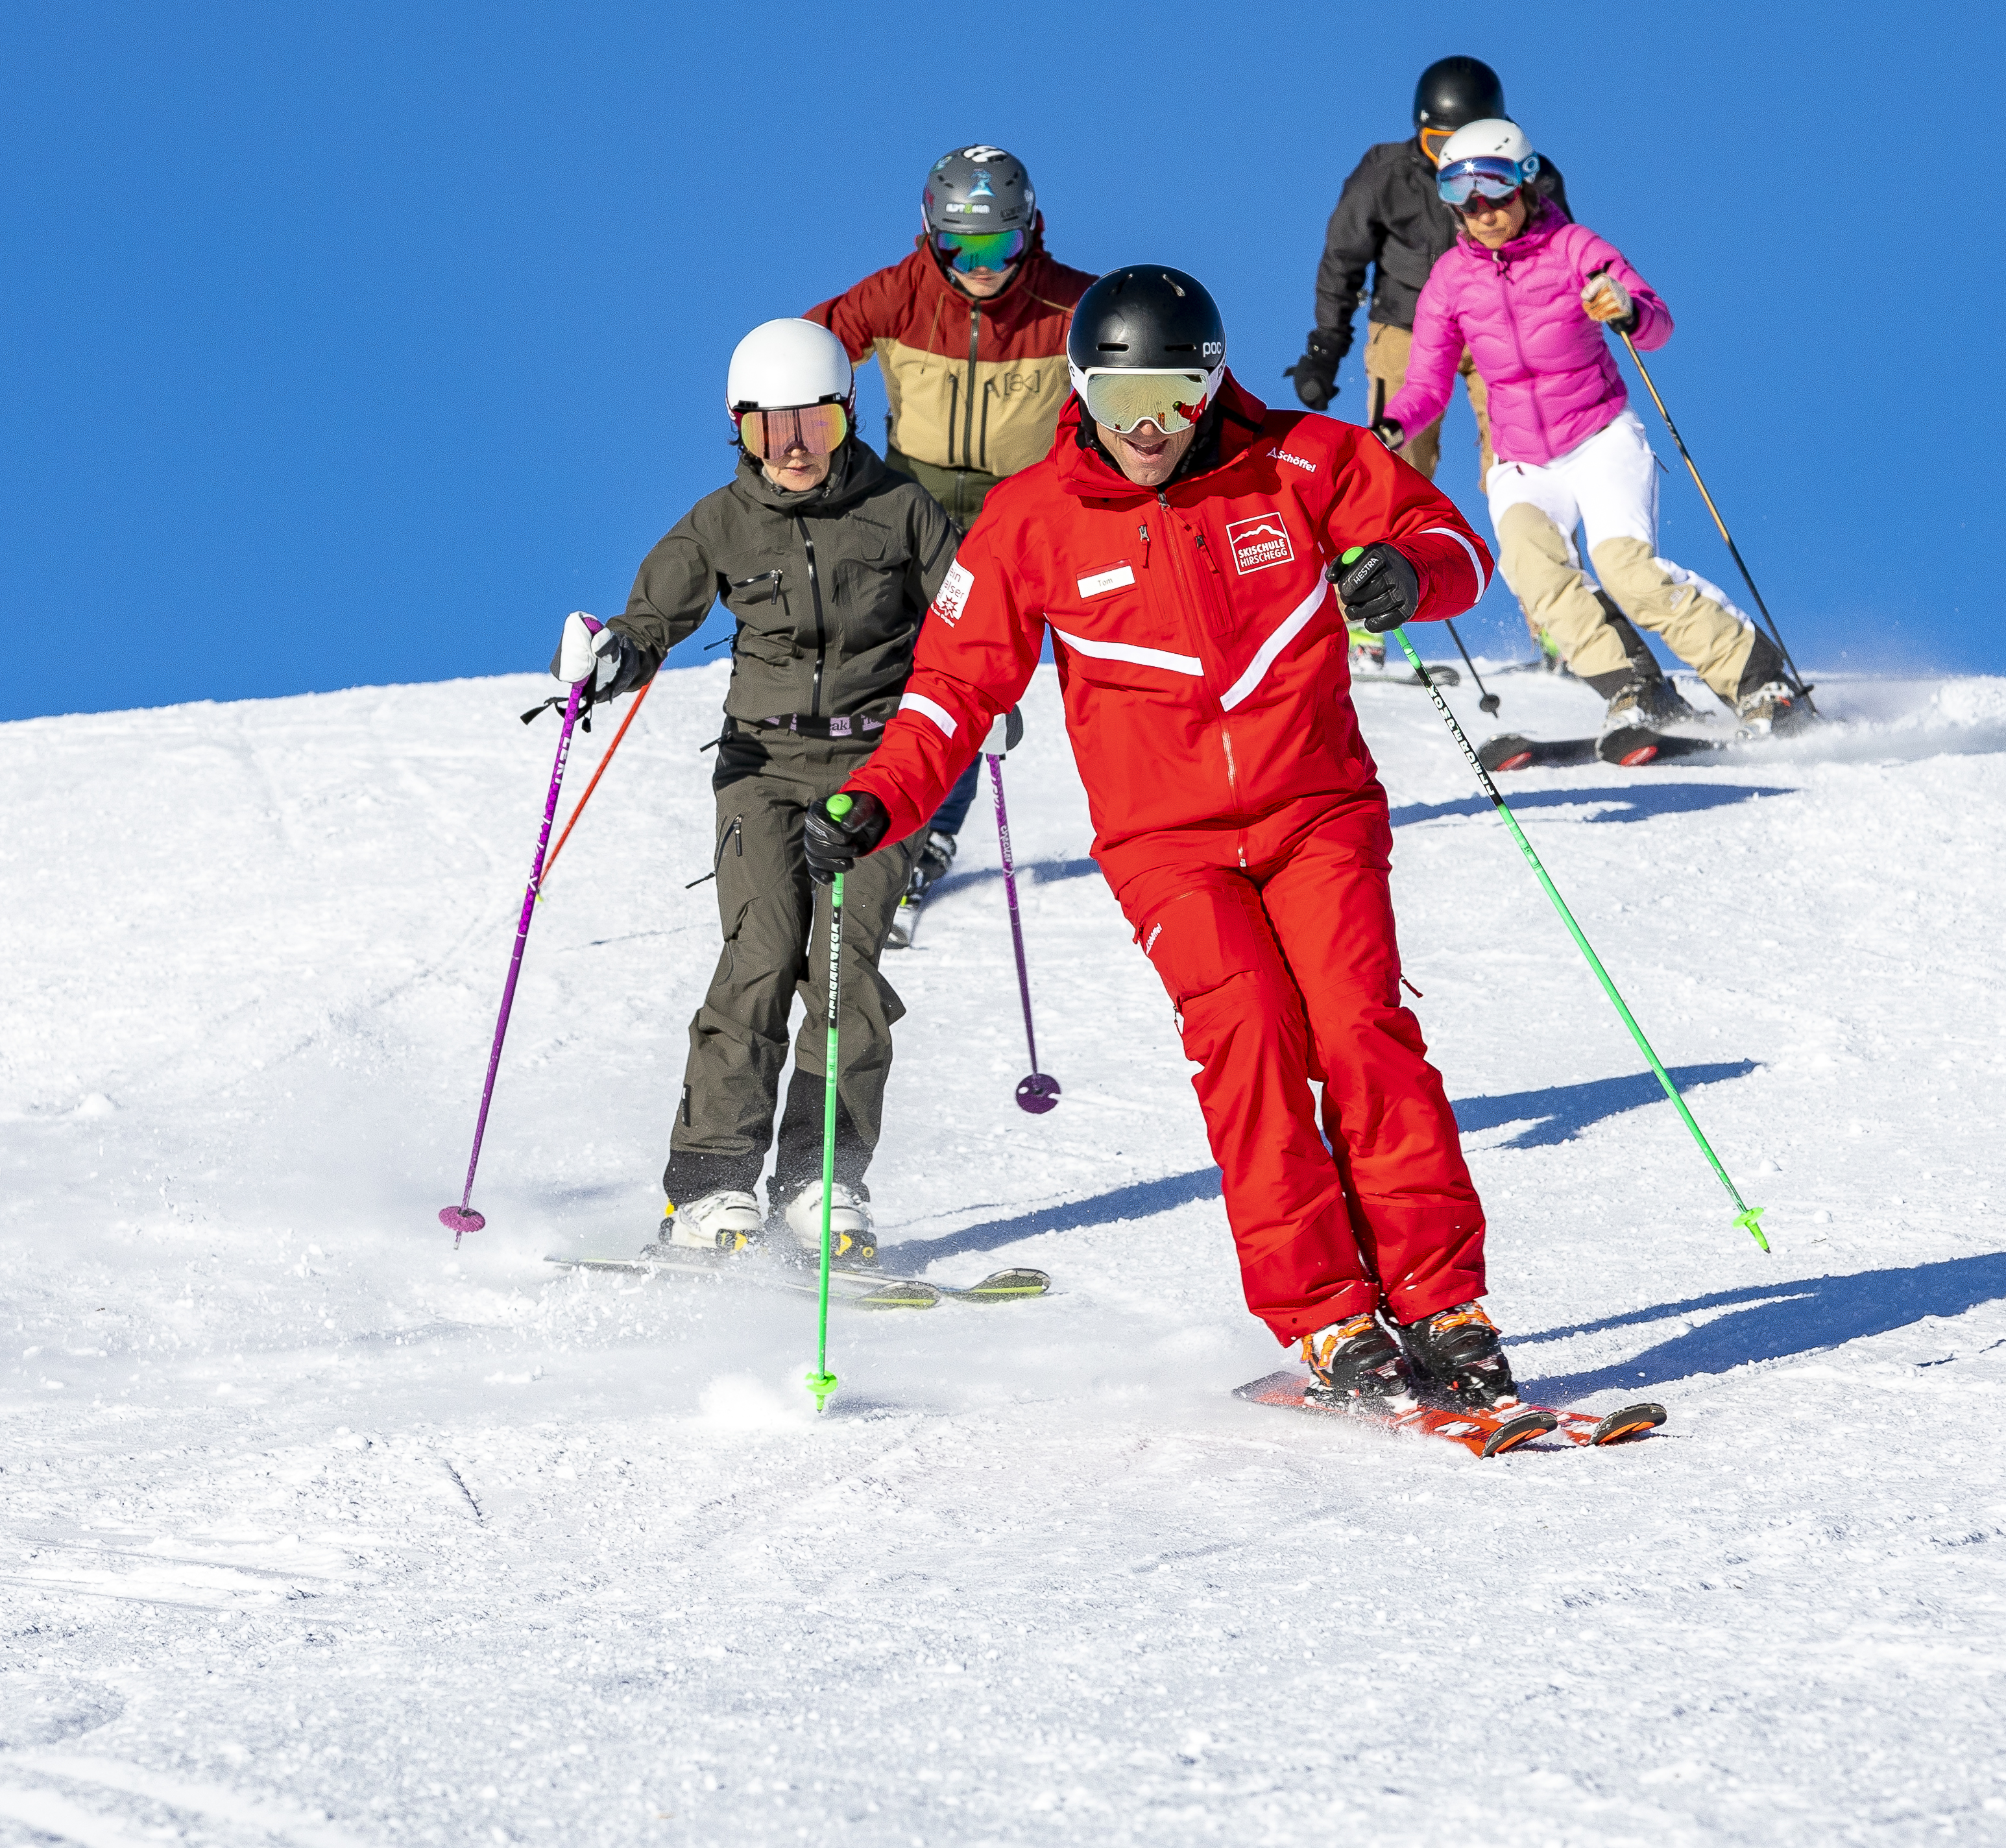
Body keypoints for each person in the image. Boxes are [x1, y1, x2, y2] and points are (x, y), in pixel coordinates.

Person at [789, 266, 1538, 1413]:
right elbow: (951, 690)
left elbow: (1449, 540)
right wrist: (879, 799)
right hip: (1167, 843)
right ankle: (1330, 1316)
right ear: (1079, 389)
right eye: (1123, 395)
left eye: (1180, 395)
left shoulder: (1301, 462)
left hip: (1316, 811)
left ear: (1215, 382)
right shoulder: (1031, 520)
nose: (1151, 427)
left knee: (1364, 1030)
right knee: (1247, 1039)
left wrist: (1411, 572)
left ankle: (1443, 1302)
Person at [555, 315, 957, 1264]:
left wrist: (988, 694)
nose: (790, 449)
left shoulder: (902, 511)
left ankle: (824, 1182)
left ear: (847, 416)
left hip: (878, 771)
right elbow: (651, 620)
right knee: (764, 954)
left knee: (843, 968)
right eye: (764, 428)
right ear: (736, 427)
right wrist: (610, 659)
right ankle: (708, 1187)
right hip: (763, 771)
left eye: (812, 425)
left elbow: (965, 617)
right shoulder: (720, 523)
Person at [1385, 119, 1798, 743]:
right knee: (1532, 570)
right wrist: (1392, 426)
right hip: (1522, 459)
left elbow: (1656, 324)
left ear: (1525, 182)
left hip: (1600, 437)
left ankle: (1760, 681)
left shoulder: (1573, 248)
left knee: (1626, 570)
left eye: (1494, 188)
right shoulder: (1450, 280)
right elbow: (1426, 385)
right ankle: (1635, 689)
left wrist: (1626, 310)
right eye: (1460, 194)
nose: (1481, 209)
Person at [1294, 58, 1669, 714]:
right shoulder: (1384, 172)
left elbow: (1559, 255)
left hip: (1503, 337)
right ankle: (1369, 623)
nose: (1459, 168)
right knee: (1396, 467)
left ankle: (1554, 623)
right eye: (1439, 146)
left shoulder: (1533, 173)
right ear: (1421, 136)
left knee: (1523, 465)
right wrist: (1327, 348)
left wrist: (1600, 310)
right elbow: (1342, 257)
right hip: (1411, 329)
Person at [806, 146, 1094, 930]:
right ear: (928, 235)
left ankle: (926, 841)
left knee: (963, 677)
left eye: (1001, 247)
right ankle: (848, 806)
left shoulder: (1068, 306)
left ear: (1031, 233)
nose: (981, 269)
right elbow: (815, 345)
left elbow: (1131, 352)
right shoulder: (900, 295)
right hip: (911, 500)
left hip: (1013, 514)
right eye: (958, 250)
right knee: (875, 656)